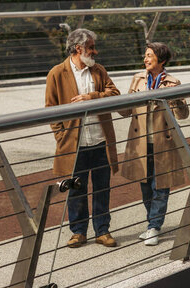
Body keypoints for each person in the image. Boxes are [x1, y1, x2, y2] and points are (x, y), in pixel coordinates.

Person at [45, 28, 120, 248]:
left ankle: (102, 231)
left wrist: (92, 97)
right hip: (74, 145)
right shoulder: (57, 73)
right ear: (79, 48)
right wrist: (61, 136)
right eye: (91, 48)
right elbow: (50, 109)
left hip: (99, 142)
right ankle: (78, 232)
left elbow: (114, 94)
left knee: (102, 188)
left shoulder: (98, 71)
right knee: (75, 190)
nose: (95, 52)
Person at [119, 42, 189, 246]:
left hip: (163, 143)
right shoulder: (138, 79)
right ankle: (152, 223)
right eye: (145, 55)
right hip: (140, 143)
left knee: (161, 186)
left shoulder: (172, 82)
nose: (145, 59)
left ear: (161, 59)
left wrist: (174, 100)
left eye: (149, 55)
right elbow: (125, 111)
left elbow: (183, 115)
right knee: (145, 186)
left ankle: (154, 227)